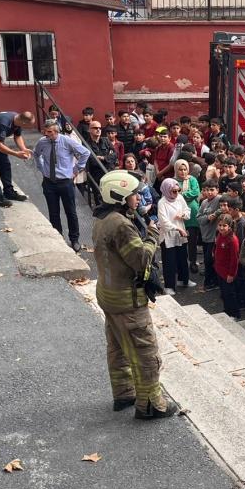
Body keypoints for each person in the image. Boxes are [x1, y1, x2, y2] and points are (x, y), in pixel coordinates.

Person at [91, 170, 180, 419]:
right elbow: (141, 260)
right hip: (127, 301)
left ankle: (124, 394)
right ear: (120, 197)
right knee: (146, 353)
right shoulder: (120, 225)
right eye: (133, 194)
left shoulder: (102, 217)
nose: (138, 198)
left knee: (118, 348)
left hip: (108, 295)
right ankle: (151, 405)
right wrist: (152, 236)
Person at [32, 121, 90, 251]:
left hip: (65, 182)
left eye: (50, 132)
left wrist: (76, 169)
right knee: (53, 212)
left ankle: (74, 239)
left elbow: (85, 153)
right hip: (49, 182)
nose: (46, 134)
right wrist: (41, 168)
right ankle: (58, 238)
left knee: (71, 211)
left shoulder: (67, 141)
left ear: (56, 131)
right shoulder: (42, 142)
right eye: (45, 132)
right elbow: (36, 154)